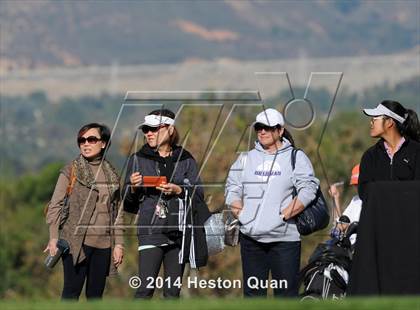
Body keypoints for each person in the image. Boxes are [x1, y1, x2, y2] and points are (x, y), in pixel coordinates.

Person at [225, 108, 320, 297]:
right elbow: (232, 188)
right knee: (253, 297)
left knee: (285, 297)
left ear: (280, 130)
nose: (262, 131)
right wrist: (242, 215)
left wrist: (284, 215)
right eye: (259, 127)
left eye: (268, 128)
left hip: (285, 242)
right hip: (251, 241)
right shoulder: (245, 158)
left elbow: (308, 189)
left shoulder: (296, 157)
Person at [123, 108, 210, 299]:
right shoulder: (137, 159)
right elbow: (128, 204)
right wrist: (133, 188)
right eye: (146, 130)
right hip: (150, 231)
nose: (148, 133)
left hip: (179, 231)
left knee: (172, 292)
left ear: (170, 130)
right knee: (145, 289)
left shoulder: (186, 158)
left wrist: (179, 190)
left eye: (154, 129)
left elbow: (199, 194)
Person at [45, 123, 124, 300]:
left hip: (104, 246)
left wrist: (119, 244)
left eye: (91, 139)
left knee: (95, 297)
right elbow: (55, 205)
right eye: (82, 140)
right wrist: (53, 237)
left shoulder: (112, 175)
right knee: (71, 295)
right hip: (75, 243)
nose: (85, 144)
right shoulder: (71, 170)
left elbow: (117, 212)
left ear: (103, 143)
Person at [359, 100, 420, 202]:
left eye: (375, 119)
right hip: (380, 217)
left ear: (389, 122)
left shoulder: (416, 152)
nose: (371, 122)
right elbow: (364, 192)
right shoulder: (370, 156)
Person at [329, 164, 362, 245]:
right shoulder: (355, 200)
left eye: (360, 183)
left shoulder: (376, 200)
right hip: (349, 248)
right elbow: (341, 224)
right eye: (355, 185)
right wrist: (335, 198)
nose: (357, 187)